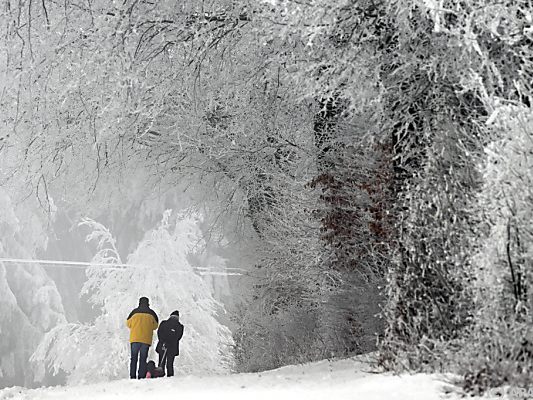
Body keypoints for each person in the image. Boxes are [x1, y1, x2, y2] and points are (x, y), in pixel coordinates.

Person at [126, 297, 158, 379]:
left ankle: (132, 376)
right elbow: (155, 326)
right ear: (148, 303)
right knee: (143, 359)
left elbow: (128, 324)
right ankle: (141, 376)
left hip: (135, 339)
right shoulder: (152, 313)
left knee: (134, 359)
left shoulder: (134, 312)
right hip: (146, 340)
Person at [156, 310, 184, 377]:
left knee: (161, 362)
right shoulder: (180, 326)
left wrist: (163, 341)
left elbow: (159, 333)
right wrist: (170, 342)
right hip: (172, 347)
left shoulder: (164, 323)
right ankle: (170, 376)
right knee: (170, 363)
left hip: (163, 345)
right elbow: (178, 337)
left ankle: (160, 376)